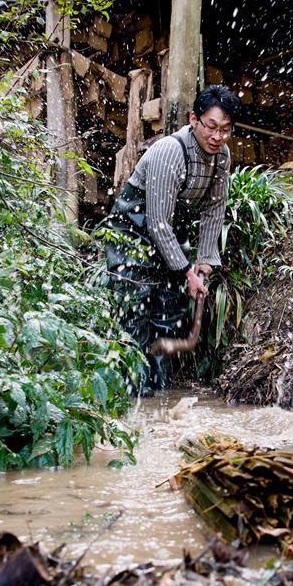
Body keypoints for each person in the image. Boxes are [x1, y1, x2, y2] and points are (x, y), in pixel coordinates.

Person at [103, 85, 239, 395]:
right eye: (211, 126)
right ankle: (133, 397)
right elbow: (157, 222)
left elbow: (215, 209)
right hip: (132, 234)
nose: (217, 136)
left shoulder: (222, 157)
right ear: (194, 119)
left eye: (225, 129)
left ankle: (160, 397)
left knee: (169, 315)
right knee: (135, 315)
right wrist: (187, 273)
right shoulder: (170, 151)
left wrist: (205, 261)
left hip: (170, 239)